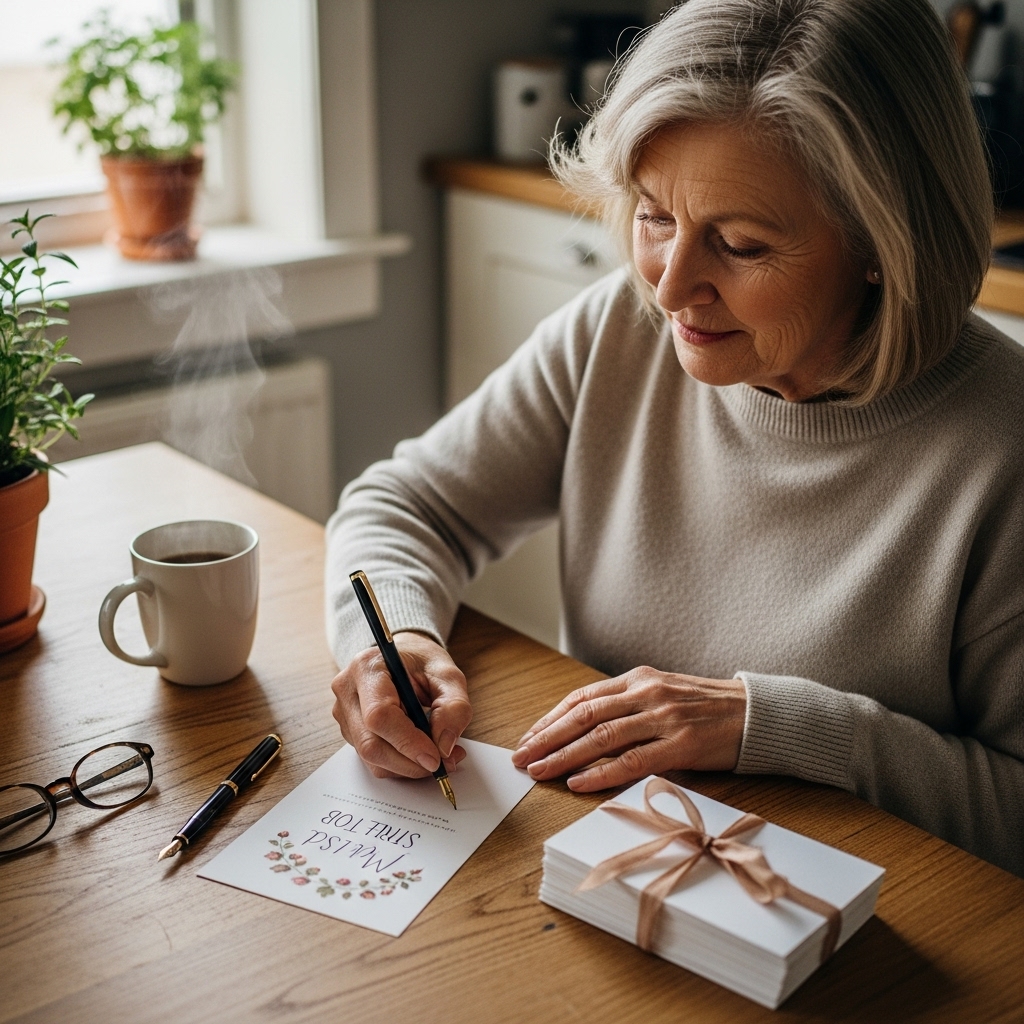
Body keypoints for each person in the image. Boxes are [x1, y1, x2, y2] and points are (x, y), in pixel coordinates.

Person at [326, 0, 1024, 876]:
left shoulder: (1003, 450)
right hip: (613, 871)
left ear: (884, 241)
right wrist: (390, 642)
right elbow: (406, 504)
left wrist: (776, 726)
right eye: (656, 217)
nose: (670, 289)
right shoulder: (620, 328)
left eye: (739, 244)